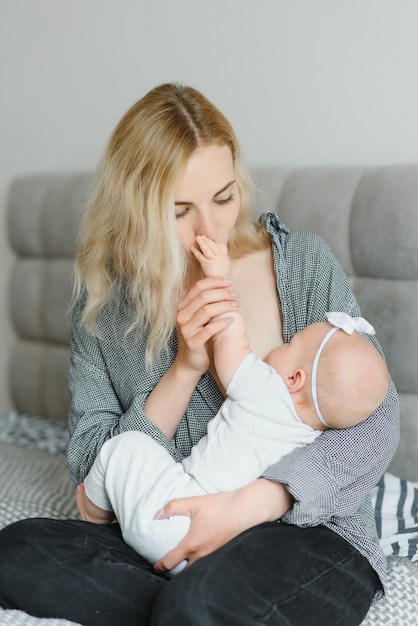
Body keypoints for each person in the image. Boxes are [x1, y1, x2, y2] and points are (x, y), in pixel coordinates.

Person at [0, 83, 399, 626]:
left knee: (199, 603)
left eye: (225, 197)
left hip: (303, 532)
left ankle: (192, 607)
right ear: (135, 208)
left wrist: (246, 507)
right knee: (18, 550)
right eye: (180, 210)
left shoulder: (302, 264)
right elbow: (95, 471)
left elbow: (376, 419)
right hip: (167, 530)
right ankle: (190, 607)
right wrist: (185, 368)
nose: (211, 229)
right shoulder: (105, 306)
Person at [77, 235, 390, 576]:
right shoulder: (312, 434)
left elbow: (229, 340)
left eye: (292, 343)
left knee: (126, 446)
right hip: (226, 542)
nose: (281, 345)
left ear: (294, 378)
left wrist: (216, 276)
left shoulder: (265, 390)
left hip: (178, 514)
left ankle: (93, 511)